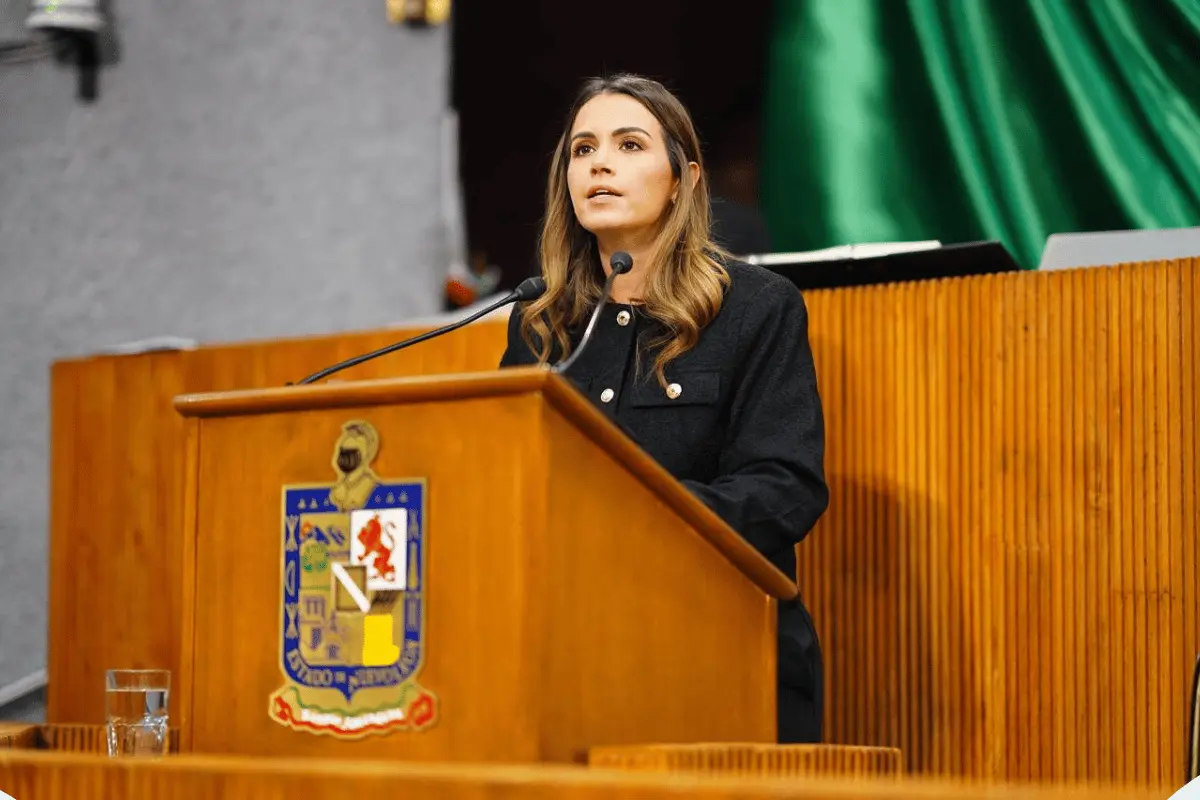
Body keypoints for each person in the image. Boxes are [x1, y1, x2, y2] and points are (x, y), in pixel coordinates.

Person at [497, 73, 829, 744]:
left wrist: (637, 521)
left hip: (722, 649)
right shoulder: (543, 324)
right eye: (583, 149)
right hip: (570, 653)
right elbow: (506, 481)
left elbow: (784, 487)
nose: (600, 164)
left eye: (628, 144)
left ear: (684, 177)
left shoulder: (755, 308)